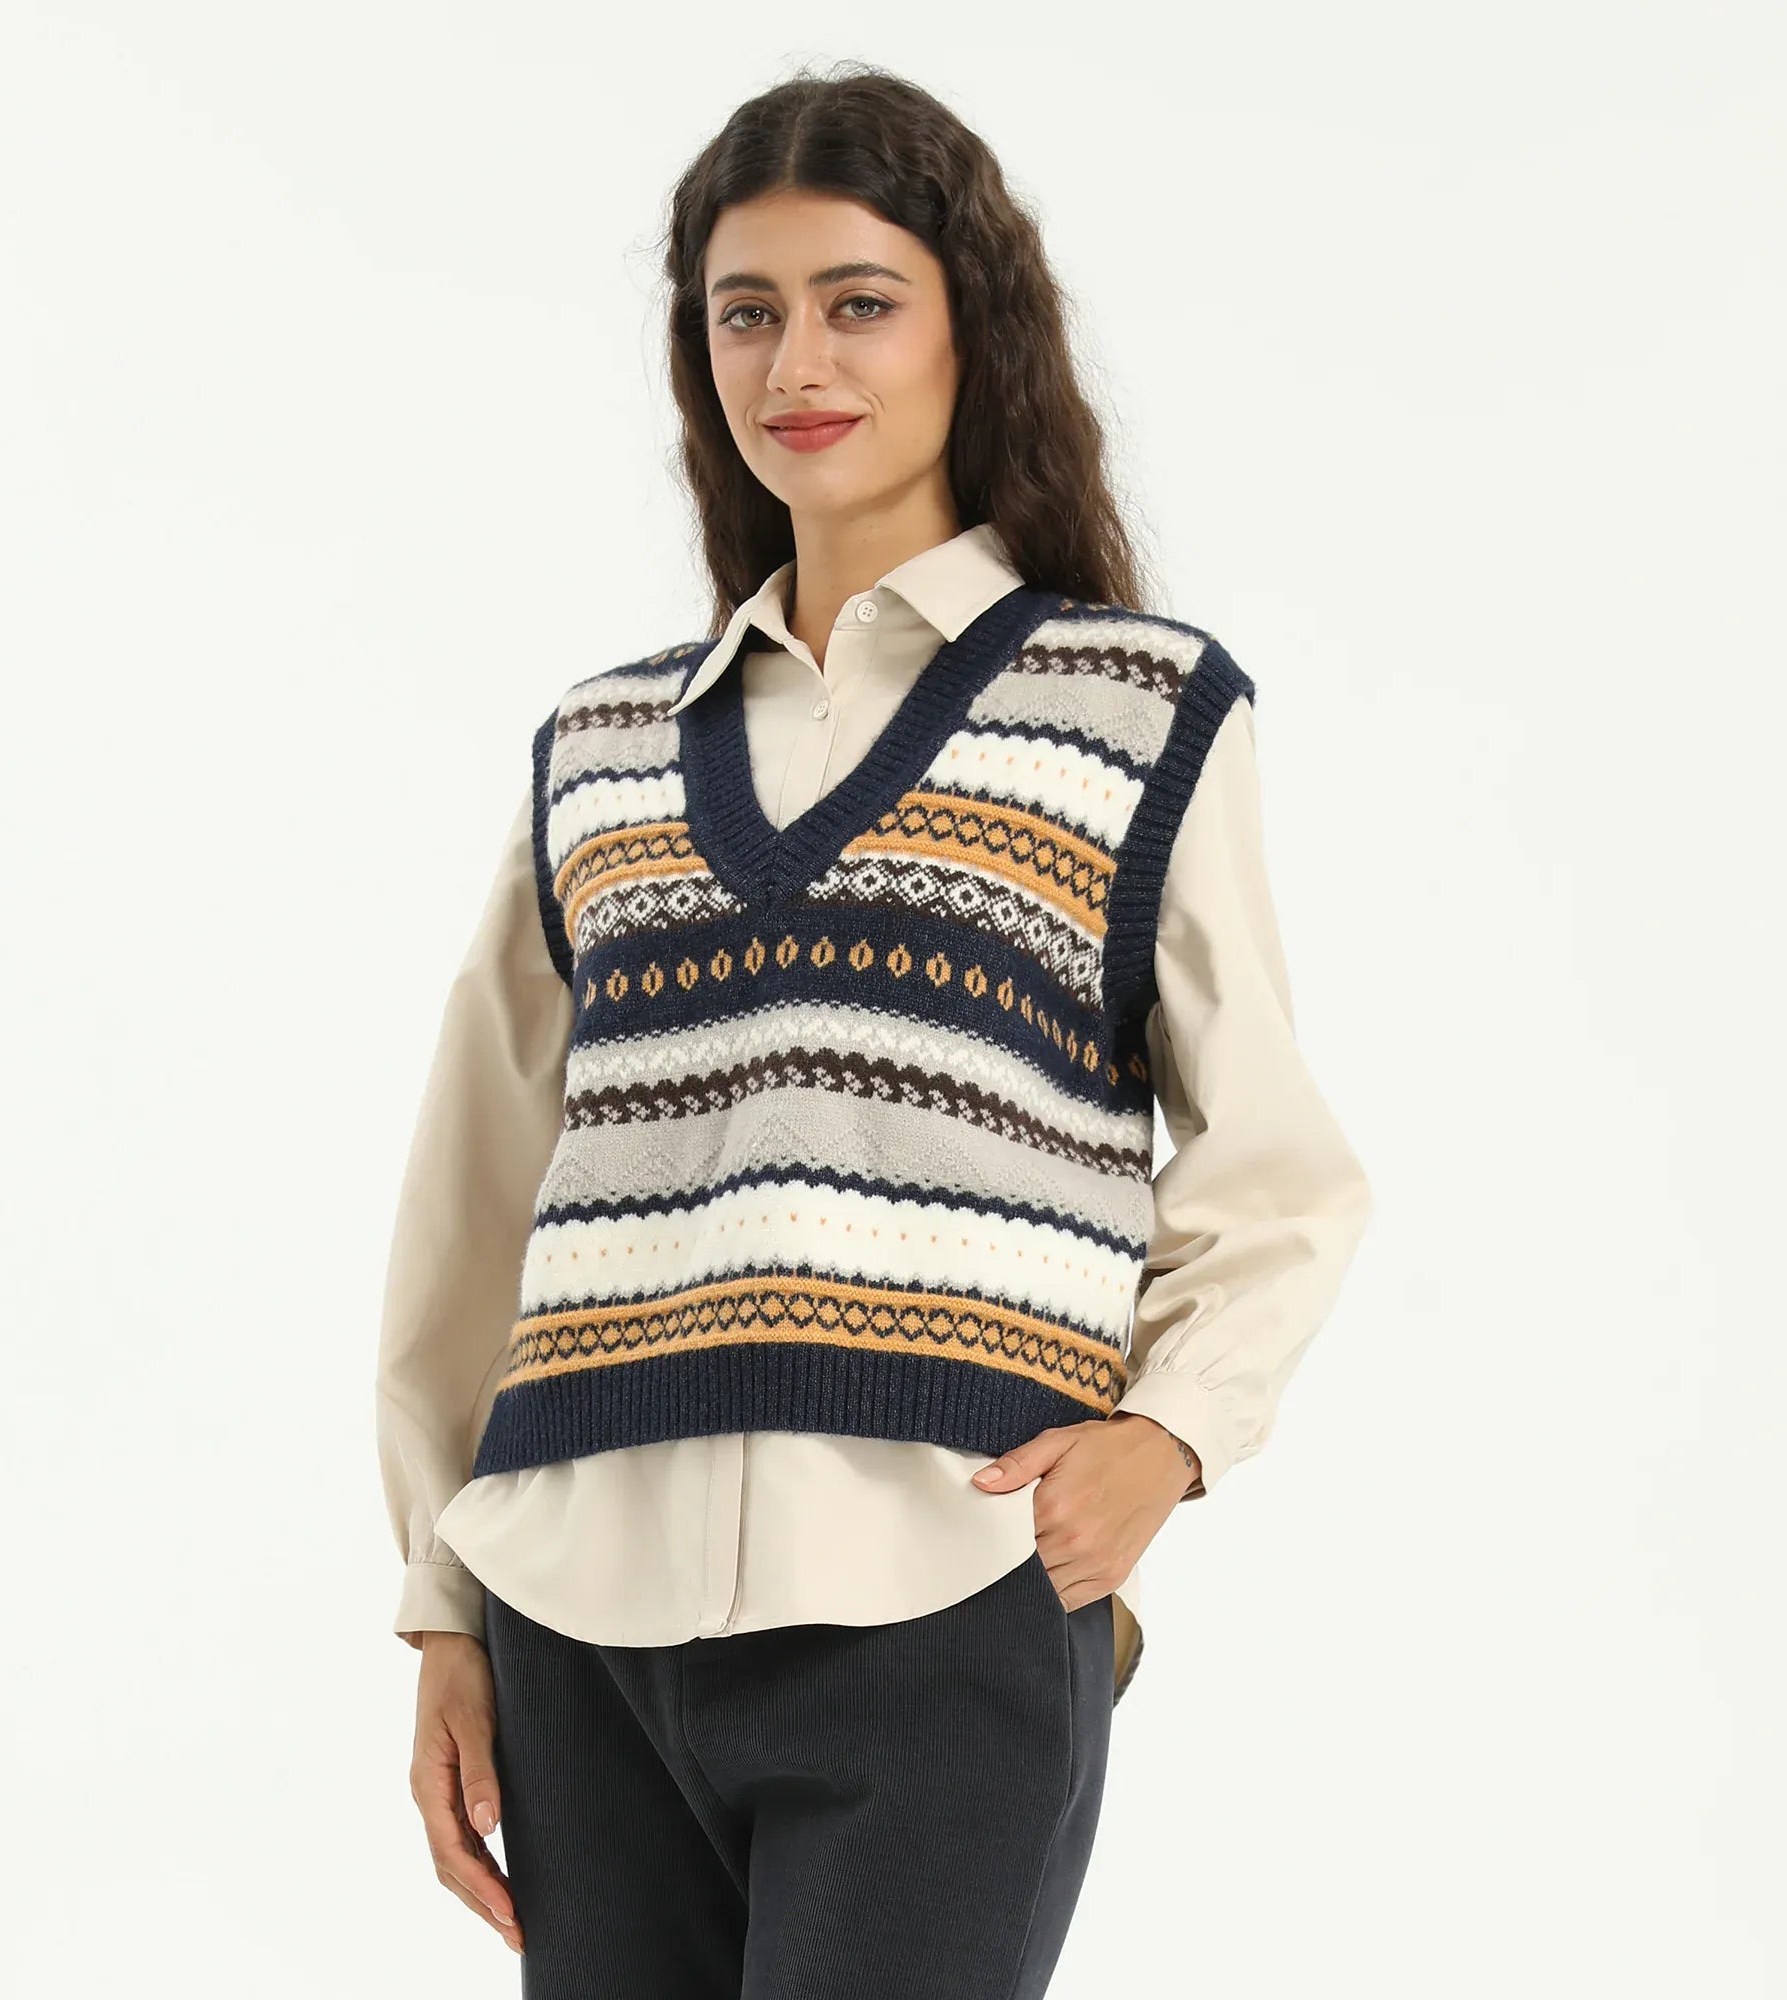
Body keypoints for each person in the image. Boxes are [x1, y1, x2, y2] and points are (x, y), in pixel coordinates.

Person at [375, 62, 1372, 1997]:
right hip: (579, 1627)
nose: (798, 362)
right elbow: (474, 1213)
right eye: (745, 312)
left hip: (942, 1591)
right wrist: (443, 1603)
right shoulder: (601, 747)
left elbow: (1277, 1167)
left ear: (968, 326)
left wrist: (1168, 1433)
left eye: (860, 302)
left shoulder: (1133, 709)